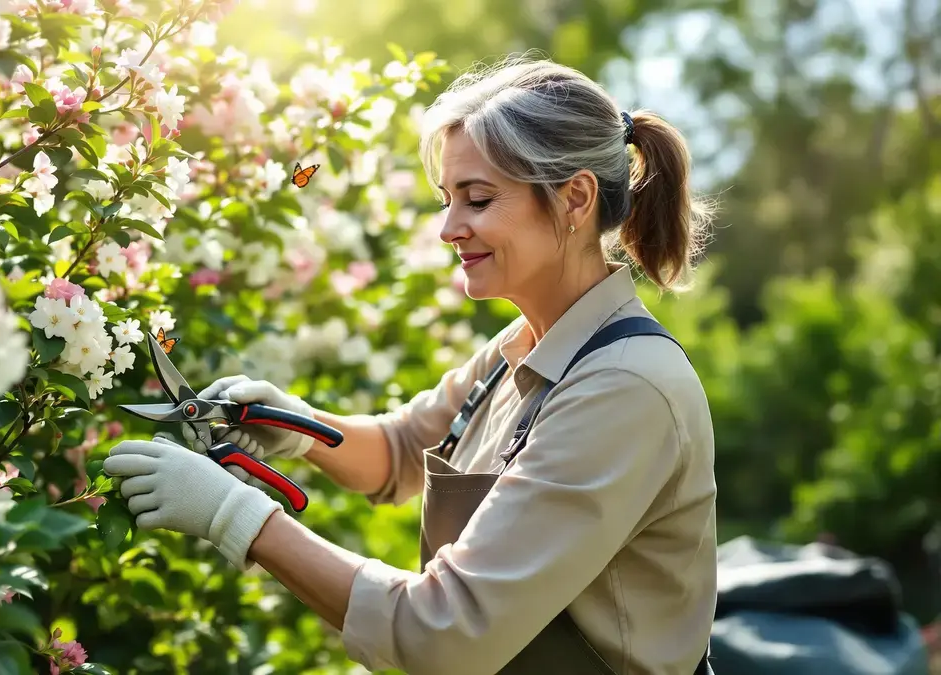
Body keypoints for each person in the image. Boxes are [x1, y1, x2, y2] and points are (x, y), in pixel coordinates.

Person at [103, 53, 718, 675]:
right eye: (447, 199)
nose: (449, 228)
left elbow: (445, 632)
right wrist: (294, 426)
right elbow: (400, 452)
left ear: (574, 199)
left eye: (477, 200)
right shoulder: (525, 347)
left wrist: (234, 516)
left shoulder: (623, 388)